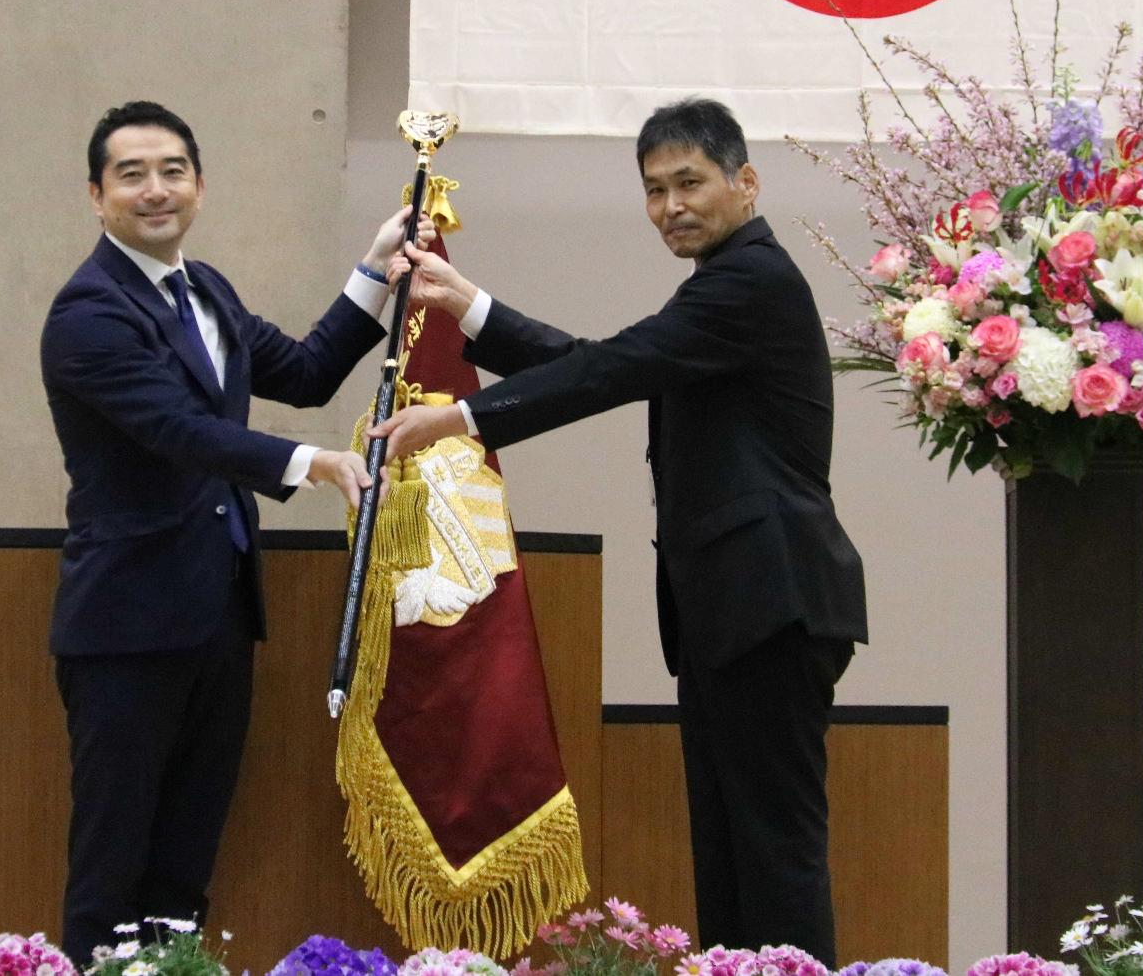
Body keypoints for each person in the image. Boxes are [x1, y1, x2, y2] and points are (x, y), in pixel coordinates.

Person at [368, 96, 867, 962]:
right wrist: (468, 306)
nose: (672, 205)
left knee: (772, 855)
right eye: (654, 189)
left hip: (770, 602)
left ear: (745, 182)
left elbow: (614, 368)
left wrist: (462, 419)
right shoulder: (720, 290)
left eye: (691, 182)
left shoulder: (752, 279)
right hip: (737, 610)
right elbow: (608, 365)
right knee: (729, 852)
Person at [41, 99, 428, 962]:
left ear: (201, 185)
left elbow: (305, 368)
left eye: (172, 170)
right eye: (131, 174)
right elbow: (181, 430)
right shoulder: (89, 313)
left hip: (217, 616)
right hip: (125, 630)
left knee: (183, 869)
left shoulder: (205, 289)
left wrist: (374, 268)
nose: (155, 190)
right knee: (112, 869)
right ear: (95, 196)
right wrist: (311, 463)